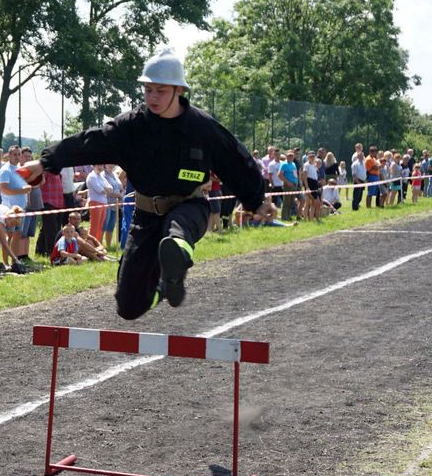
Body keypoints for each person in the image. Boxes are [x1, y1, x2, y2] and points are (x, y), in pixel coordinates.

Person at [17, 47, 266, 320]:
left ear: (178, 91)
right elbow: (88, 142)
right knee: (129, 306)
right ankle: (166, 287)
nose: (153, 97)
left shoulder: (201, 127)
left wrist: (256, 201)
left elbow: (235, 160)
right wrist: (45, 162)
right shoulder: (131, 127)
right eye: (148, 90)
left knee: (176, 234)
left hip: (190, 208)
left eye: (161, 91)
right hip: (146, 216)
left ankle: (177, 258)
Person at [0, 146, 31, 262]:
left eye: (19, 154)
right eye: (15, 154)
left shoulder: (20, 169)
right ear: (9, 155)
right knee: (9, 236)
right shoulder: (5, 170)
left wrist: (26, 196)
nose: (17, 157)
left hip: (21, 208)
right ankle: (6, 262)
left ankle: (15, 261)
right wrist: (22, 191)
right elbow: (4, 189)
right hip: (9, 208)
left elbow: (23, 186)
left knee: (18, 234)